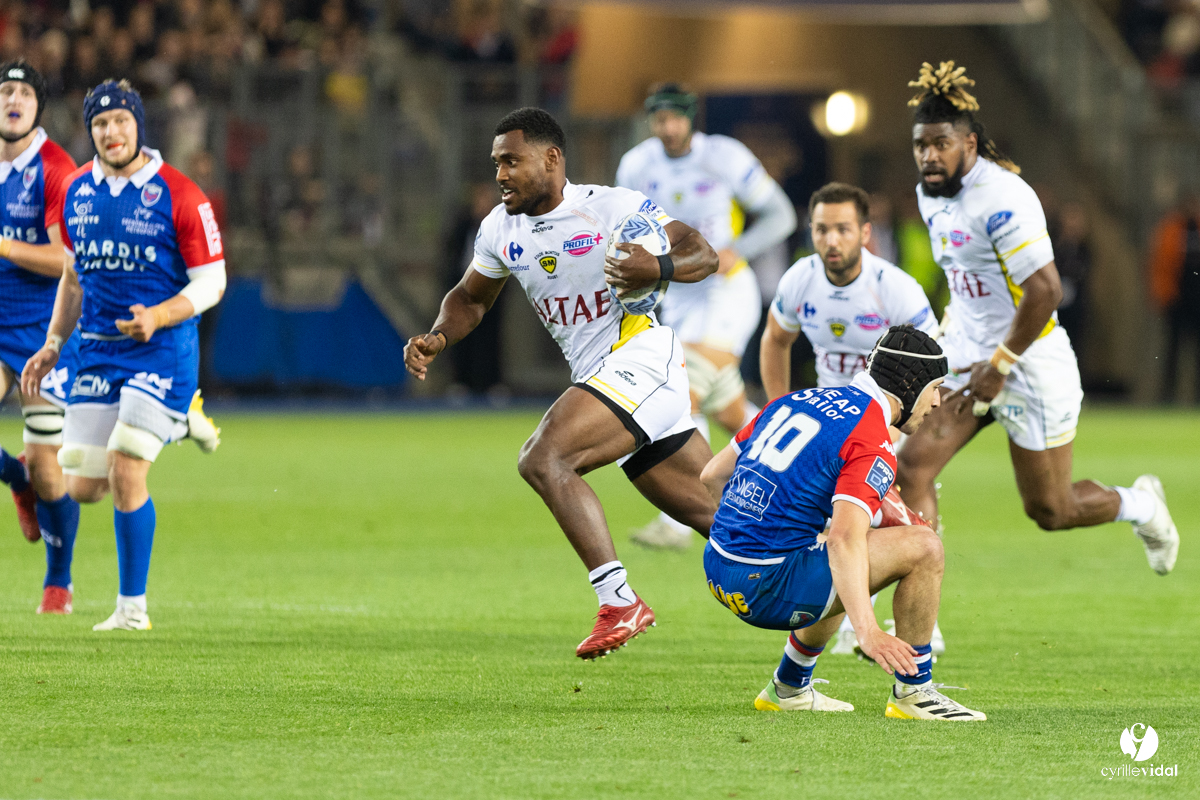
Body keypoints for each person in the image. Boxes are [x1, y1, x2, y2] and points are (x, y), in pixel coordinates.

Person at [403, 107, 720, 659]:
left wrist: (658, 268)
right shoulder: (501, 228)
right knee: (730, 524)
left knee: (542, 458)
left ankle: (619, 601)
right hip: (611, 382)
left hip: (641, 359)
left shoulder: (610, 208)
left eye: (511, 161)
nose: (500, 174)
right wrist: (437, 336)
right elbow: (471, 299)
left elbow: (703, 253)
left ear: (551, 159)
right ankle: (851, 540)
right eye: (496, 163)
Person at [896, 62, 1178, 575]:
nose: (928, 156)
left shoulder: (1004, 198)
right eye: (921, 145)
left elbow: (1046, 292)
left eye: (940, 144)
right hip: (965, 353)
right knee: (911, 467)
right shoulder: (928, 194)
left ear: (971, 145)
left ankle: (1141, 505)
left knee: (1051, 510)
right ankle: (922, 621)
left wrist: (999, 365)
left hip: (1026, 361)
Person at [23, 79, 227, 631]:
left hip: (161, 352)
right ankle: (183, 420)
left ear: (139, 126)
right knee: (84, 487)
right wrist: (51, 344)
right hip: (97, 355)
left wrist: (159, 315)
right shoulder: (76, 194)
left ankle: (131, 610)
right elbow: (71, 276)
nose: (111, 133)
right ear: (90, 132)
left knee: (127, 466)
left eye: (121, 122)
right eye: (100, 125)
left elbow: (212, 282)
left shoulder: (181, 194)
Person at [701, 325, 986, 720]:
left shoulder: (794, 400)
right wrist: (867, 631)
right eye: (935, 387)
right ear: (910, 385)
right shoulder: (872, 438)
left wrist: (745, 539)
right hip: (766, 588)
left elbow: (712, 476)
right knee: (924, 546)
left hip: (716, 566)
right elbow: (844, 541)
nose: (937, 401)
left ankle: (789, 687)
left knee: (825, 550)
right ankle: (915, 692)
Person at [759, 181, 939, 656]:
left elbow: (934, 362)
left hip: (887, 419)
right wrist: (781, 409)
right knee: (837, 521)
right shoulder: (801, 278)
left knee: (898, 506)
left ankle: (920, 619)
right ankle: (849, 620)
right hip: (832, 421)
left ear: (864, 232)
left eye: (841, 229)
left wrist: (910, 430)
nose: (831, 241)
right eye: (821, 229)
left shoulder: (893, 287)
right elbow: (775, 340)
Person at [616, 83, 797, 550]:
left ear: (692, 119)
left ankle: (678, 520)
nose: (668, 128)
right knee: (730, 410)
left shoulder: (724, 155)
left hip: (725, 293)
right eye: (660, 120)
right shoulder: (637, 164)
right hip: (677, 296)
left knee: (682, 389)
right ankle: (797, 472)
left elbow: (781, 216)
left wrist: (741, 251)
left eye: (676, 118)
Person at [0, 62, 82, 616]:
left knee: (51, 467)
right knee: (32, 467)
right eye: (5, 90)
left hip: (43, 328)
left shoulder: (54, 169)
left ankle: (59, 580)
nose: (13, 99)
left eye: (24, 92)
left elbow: (64, 260)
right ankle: (14, 474)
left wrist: (3, 246)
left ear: (38, 108)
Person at [1147, 192, 1200, 403]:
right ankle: (1167, 396)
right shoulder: (1170, 229)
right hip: (1177, 300)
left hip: (1198, 301)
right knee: (1172, 350)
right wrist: (1162, 294)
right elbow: (1159, 263)